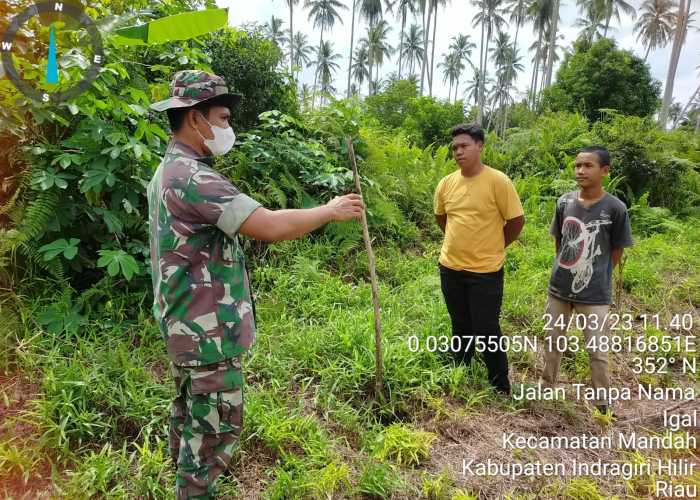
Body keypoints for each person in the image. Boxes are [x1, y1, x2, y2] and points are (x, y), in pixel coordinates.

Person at [147, 70, 363, 499]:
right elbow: (268, 225)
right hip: (207, 334)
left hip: (187, 327)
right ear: (194, 118)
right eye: (223, 118)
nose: (228, 128)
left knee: (191, 420)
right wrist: (330, 209)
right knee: (211, 434)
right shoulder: (192, 177)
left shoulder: (167, 171)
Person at [541, 146, 633, 416]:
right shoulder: (564, 202)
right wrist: (566, 267)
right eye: (577, 165)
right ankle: (546, 391)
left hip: (595, 294)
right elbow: (560, 242)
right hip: (559, 288)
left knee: (597, 350)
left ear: (605, 171)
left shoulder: (616, 208)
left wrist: (598, 273)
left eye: (588, 165)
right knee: (553, 342)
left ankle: (602, 404)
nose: (580, 170)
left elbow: (617, 250)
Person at [433, 123, 525, 395]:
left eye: (464, 146)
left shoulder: (498, 181)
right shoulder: (447, 183)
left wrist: (496, 245)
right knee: (459, 322)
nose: (458, 152)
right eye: (455, 148)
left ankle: (500, 383)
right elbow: (442, 217)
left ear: (480, 146)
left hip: (486, 271)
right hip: (450, 267)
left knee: (487, 328)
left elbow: (516, 220)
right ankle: (460, 368)